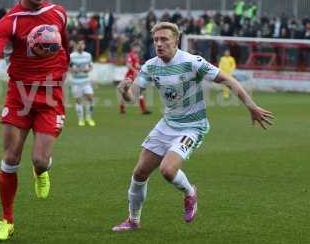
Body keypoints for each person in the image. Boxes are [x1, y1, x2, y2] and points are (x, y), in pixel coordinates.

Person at [112, 22, 274, 232]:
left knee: (168, 170)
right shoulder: (151, 65)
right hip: (167, 124)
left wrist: (251, 106)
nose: (159, 44)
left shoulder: (192, 62)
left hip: (192, 126)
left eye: (164, 40)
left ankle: (190, 192)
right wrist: (125, 91)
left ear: (176, 41)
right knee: (139, 173)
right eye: (156, 40)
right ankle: (133, 221)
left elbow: (228, 80)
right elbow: (133, 97)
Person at [0, 0, 70, 241]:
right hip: (19, 95)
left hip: (50, 95)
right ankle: (7, 220)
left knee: (39, 159)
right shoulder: (10, 21)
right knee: (11, 158)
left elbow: (66, 44)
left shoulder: (59, 13)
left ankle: (41, 171)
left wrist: (65, 69)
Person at [119, 42, 151, 115]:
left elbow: (136, 65)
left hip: (134, 77)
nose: (138, 49)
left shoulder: (136, 56)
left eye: (138, 48)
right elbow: (128, 65)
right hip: (129, 77)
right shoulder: (130, 55)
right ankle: (122, 108)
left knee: (139, 92)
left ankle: (143, 110)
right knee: (126, 93)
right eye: (137, 47)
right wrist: (135, 71)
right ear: (133, 48)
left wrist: (140, 68)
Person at [69, 38, 95, 127]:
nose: (81, 46)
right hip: (76, 82)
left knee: (91, 99)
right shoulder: (71, 56)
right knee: (78, 101)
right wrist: (73, 70)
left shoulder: (88, 55)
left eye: (82, 44)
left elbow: (91, 66)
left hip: (86, 81)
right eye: (79, 44)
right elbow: (68, 68)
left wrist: (88, 69)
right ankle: (81, 119)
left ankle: (88, 117)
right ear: (76, 45)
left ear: (84, 46)